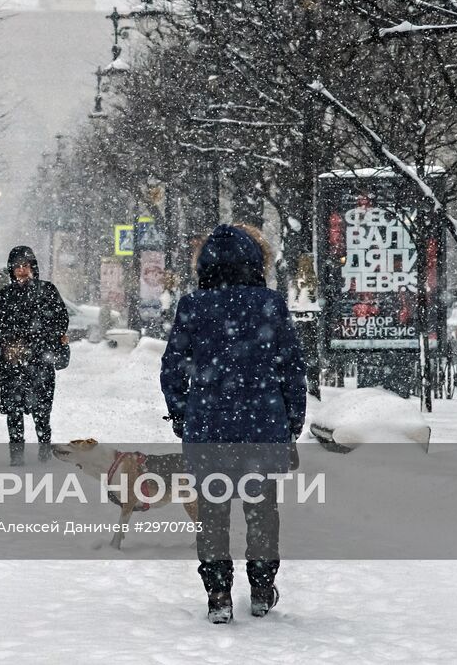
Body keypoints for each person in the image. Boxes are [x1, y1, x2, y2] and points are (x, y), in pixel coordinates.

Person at [159, 224, 306, 625]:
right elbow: (291, 367)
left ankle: (219, 593)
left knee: (212, 513)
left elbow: (172, 368)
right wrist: (292, 421)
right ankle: (261, 588)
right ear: (255, 262)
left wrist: (181, 413)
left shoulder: (192, 305)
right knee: (262, 511)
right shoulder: (270, 305)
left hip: (208, 428)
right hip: (262, 428)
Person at [0, 245, 69, 465]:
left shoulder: (47, 291)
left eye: (25, 266)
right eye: (17, 267)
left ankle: (44, 452)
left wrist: (42, 339)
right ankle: (16, 456)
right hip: (12, 364)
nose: (22, 271)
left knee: (42, 411)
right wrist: (6, 343)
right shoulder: (5, 295)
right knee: (14, 411)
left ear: (33, 267)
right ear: (11, 270)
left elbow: (61, 319)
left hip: (40, 362)